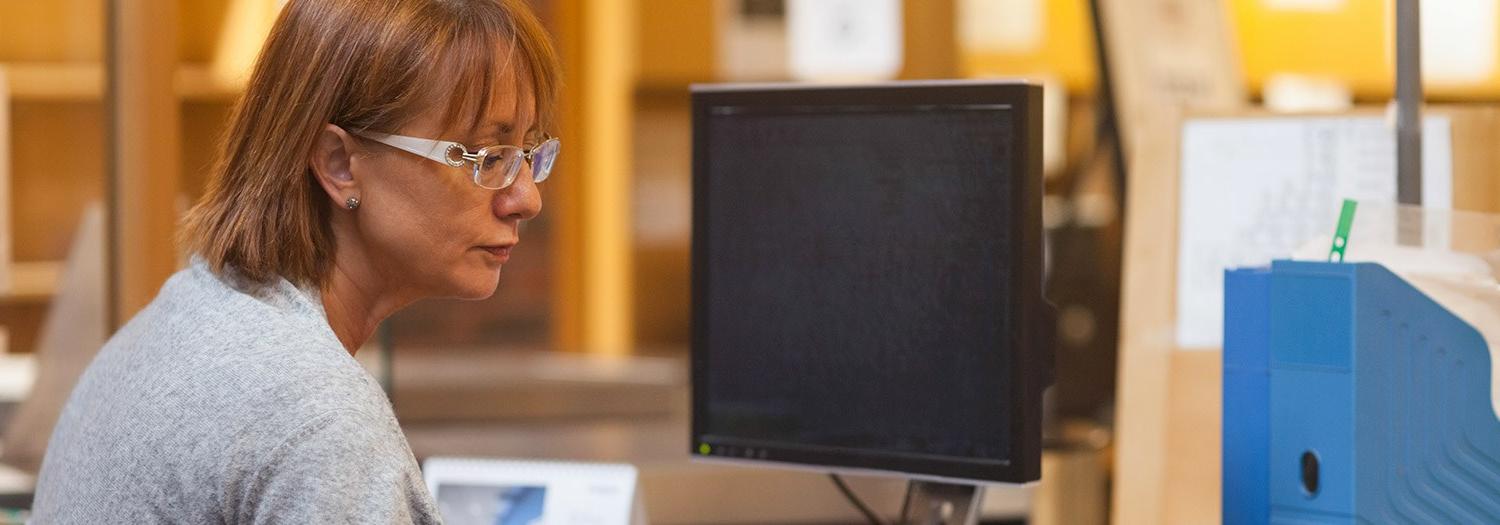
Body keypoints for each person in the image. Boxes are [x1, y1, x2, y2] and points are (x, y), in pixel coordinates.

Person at [31, 0, 560, 521]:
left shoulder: (181, 320)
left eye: (530, 154)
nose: (526, 199)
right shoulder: (317, 417)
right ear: (339, 164)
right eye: (487, 158)